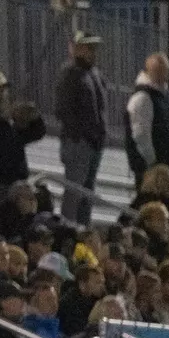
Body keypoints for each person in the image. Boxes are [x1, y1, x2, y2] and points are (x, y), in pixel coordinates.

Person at [55, 33, 108, 224]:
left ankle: (82, 231)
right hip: (79, 143)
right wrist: (79, 136)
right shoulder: (70, 73)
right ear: (76, 48)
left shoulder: (94, 74)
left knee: (87, 194)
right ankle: (68, 229)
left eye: (93, 48)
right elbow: (63, 109)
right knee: (74, 193)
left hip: (93, 143)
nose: (92, 52)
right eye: (87, 47)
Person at [126, 53, 169, 187]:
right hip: (153, 172)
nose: (163, 76)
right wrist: (153, 164)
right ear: (149, 71)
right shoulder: (143, 97)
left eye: (165, 72)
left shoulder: (163, 96)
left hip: (166, 168)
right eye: (159, 72)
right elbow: (141, 135)